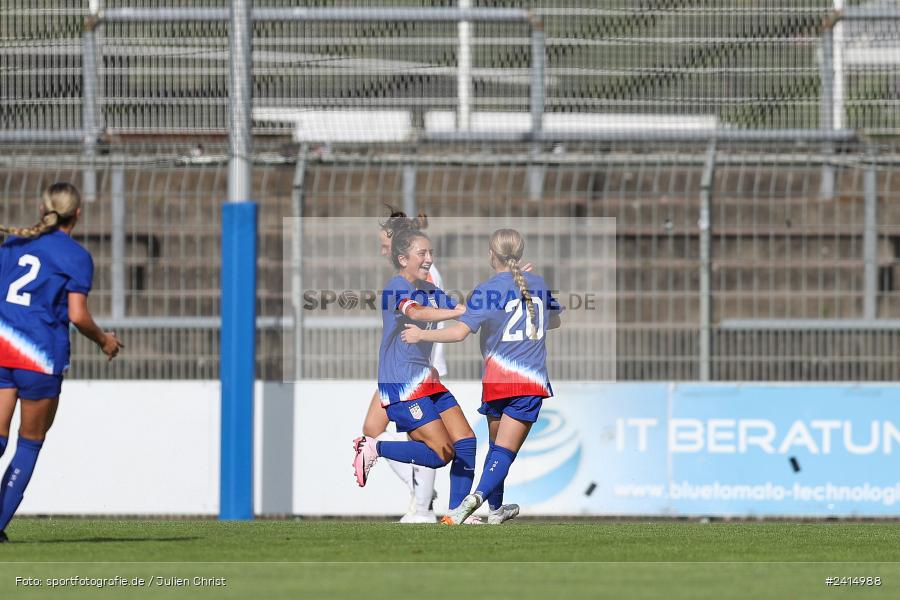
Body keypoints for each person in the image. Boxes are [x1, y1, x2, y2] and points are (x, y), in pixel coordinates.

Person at [401, 228, 562, 525]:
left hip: (496, 382)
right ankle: (475, 500)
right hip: (528, 382)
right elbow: (554, 321)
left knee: (496, 448)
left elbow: (460, 333)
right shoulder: (537, 283)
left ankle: (495, 511)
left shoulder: (486, 290)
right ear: (519, 254)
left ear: (492, 254)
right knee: (503, 452)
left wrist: (422, 334)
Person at [0, 182, 123, 541]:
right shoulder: (76, 256)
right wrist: (105, 340)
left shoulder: (14, 244)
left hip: (3, 346)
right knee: (29, 443)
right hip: (40, 356)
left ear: (43, 209)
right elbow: (78, 315)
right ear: (78, 214)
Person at [353, 227, 480, 522]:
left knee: (466, 441)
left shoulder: (430, 290)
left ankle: (456, 515)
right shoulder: (396, 287)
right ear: (403, 258)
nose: (429, 258)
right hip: (402, 384)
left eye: (430, 253)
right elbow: (417, 313)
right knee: (441, 453)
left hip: (426, 379)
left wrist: (505, 295)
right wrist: (458, 312)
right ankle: (373, 448)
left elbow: (462, 309)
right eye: (422, 253)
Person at [359, 209, 445, 523]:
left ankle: (423, 505)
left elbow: (426, 316)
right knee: (373, 429)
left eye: (385, 246)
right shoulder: (407, 277)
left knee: (423, 441)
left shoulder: (422, 275)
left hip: (416, 369)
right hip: (403, 367)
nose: (383, 252)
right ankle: (421, 498)